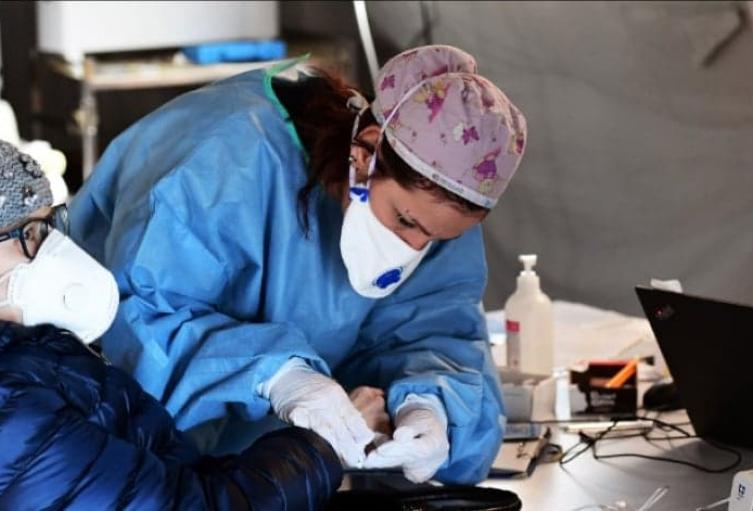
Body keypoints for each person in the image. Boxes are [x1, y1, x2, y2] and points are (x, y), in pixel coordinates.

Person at [69, 44, 527, 484]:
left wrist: (432, 404)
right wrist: (276, 376)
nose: (413, 247)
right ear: (366, 155)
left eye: (436, 238)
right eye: (404, 220)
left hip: (277, 479)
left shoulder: (432, 207)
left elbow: (436, 330)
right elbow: (137, 323)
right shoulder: (223, 160)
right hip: (129, 466)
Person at [0, 140, 342, 510]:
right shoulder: (11, 405)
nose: (53, 250)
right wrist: (320, 451)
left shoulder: (35, 357)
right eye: (32, 234)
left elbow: (164, 481)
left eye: (51, 227)